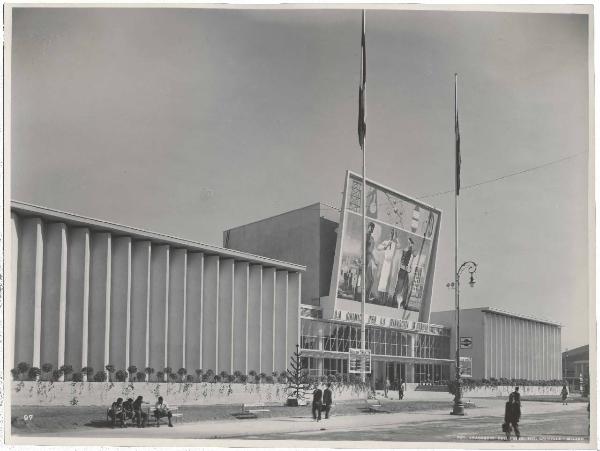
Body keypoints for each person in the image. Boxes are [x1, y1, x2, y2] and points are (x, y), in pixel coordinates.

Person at [394, 238, 415, 309]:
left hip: (405, 271)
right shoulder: (406, 250)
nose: (412, 245)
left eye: (412, 244)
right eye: (411, 244)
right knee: (400, 287)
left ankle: (402, 304)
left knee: (405, 288)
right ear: (409, 243)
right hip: (403, 271)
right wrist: (406, 268)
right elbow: (402, 263)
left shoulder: (410, 251)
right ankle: (396, 303)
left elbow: (409, 263)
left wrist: (409, 268)